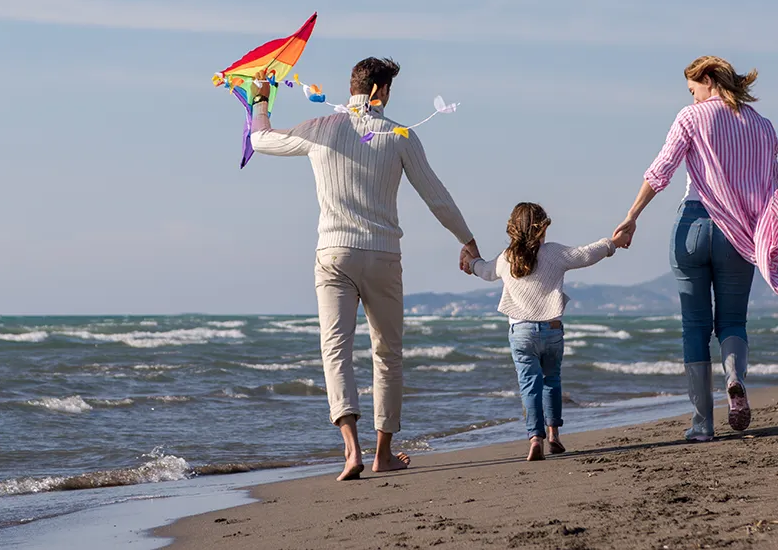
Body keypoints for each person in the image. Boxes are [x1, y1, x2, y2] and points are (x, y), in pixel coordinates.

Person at [249, 57, 479, 481]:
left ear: (353, 86)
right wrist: (467, 239)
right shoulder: (400, 135)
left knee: (335, 350)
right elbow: (436, 196)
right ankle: (383, 453)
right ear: (382, 91)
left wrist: (260, 100)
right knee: (387, 354)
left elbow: (260, 140)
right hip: (383, 255)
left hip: (333, 253)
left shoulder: (320, 128)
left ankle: (351, 450)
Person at [612, 56, 778, 442]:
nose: (692, 99)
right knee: (732, 322)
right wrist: (765, 237)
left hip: (692, 226)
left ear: (707, 79)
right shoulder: (764, 127)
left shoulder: (692, 118)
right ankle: (734, 379)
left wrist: (631, 216)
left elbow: (661, 170)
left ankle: (703, 425)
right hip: (738, 234)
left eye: (693, 91)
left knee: (695, 326)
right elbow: (773, 186)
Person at [463, 202, 618, 460]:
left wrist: (471, 260)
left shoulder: (506, 258)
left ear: (513, 229)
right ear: (542, 229)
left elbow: (485, 271)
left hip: (521, 332)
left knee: (529, 386)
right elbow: (586, 254)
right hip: (552, 329)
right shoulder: (554, 253)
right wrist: (612, 243)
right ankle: (554, 435)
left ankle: (535, 438)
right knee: (551, 381)